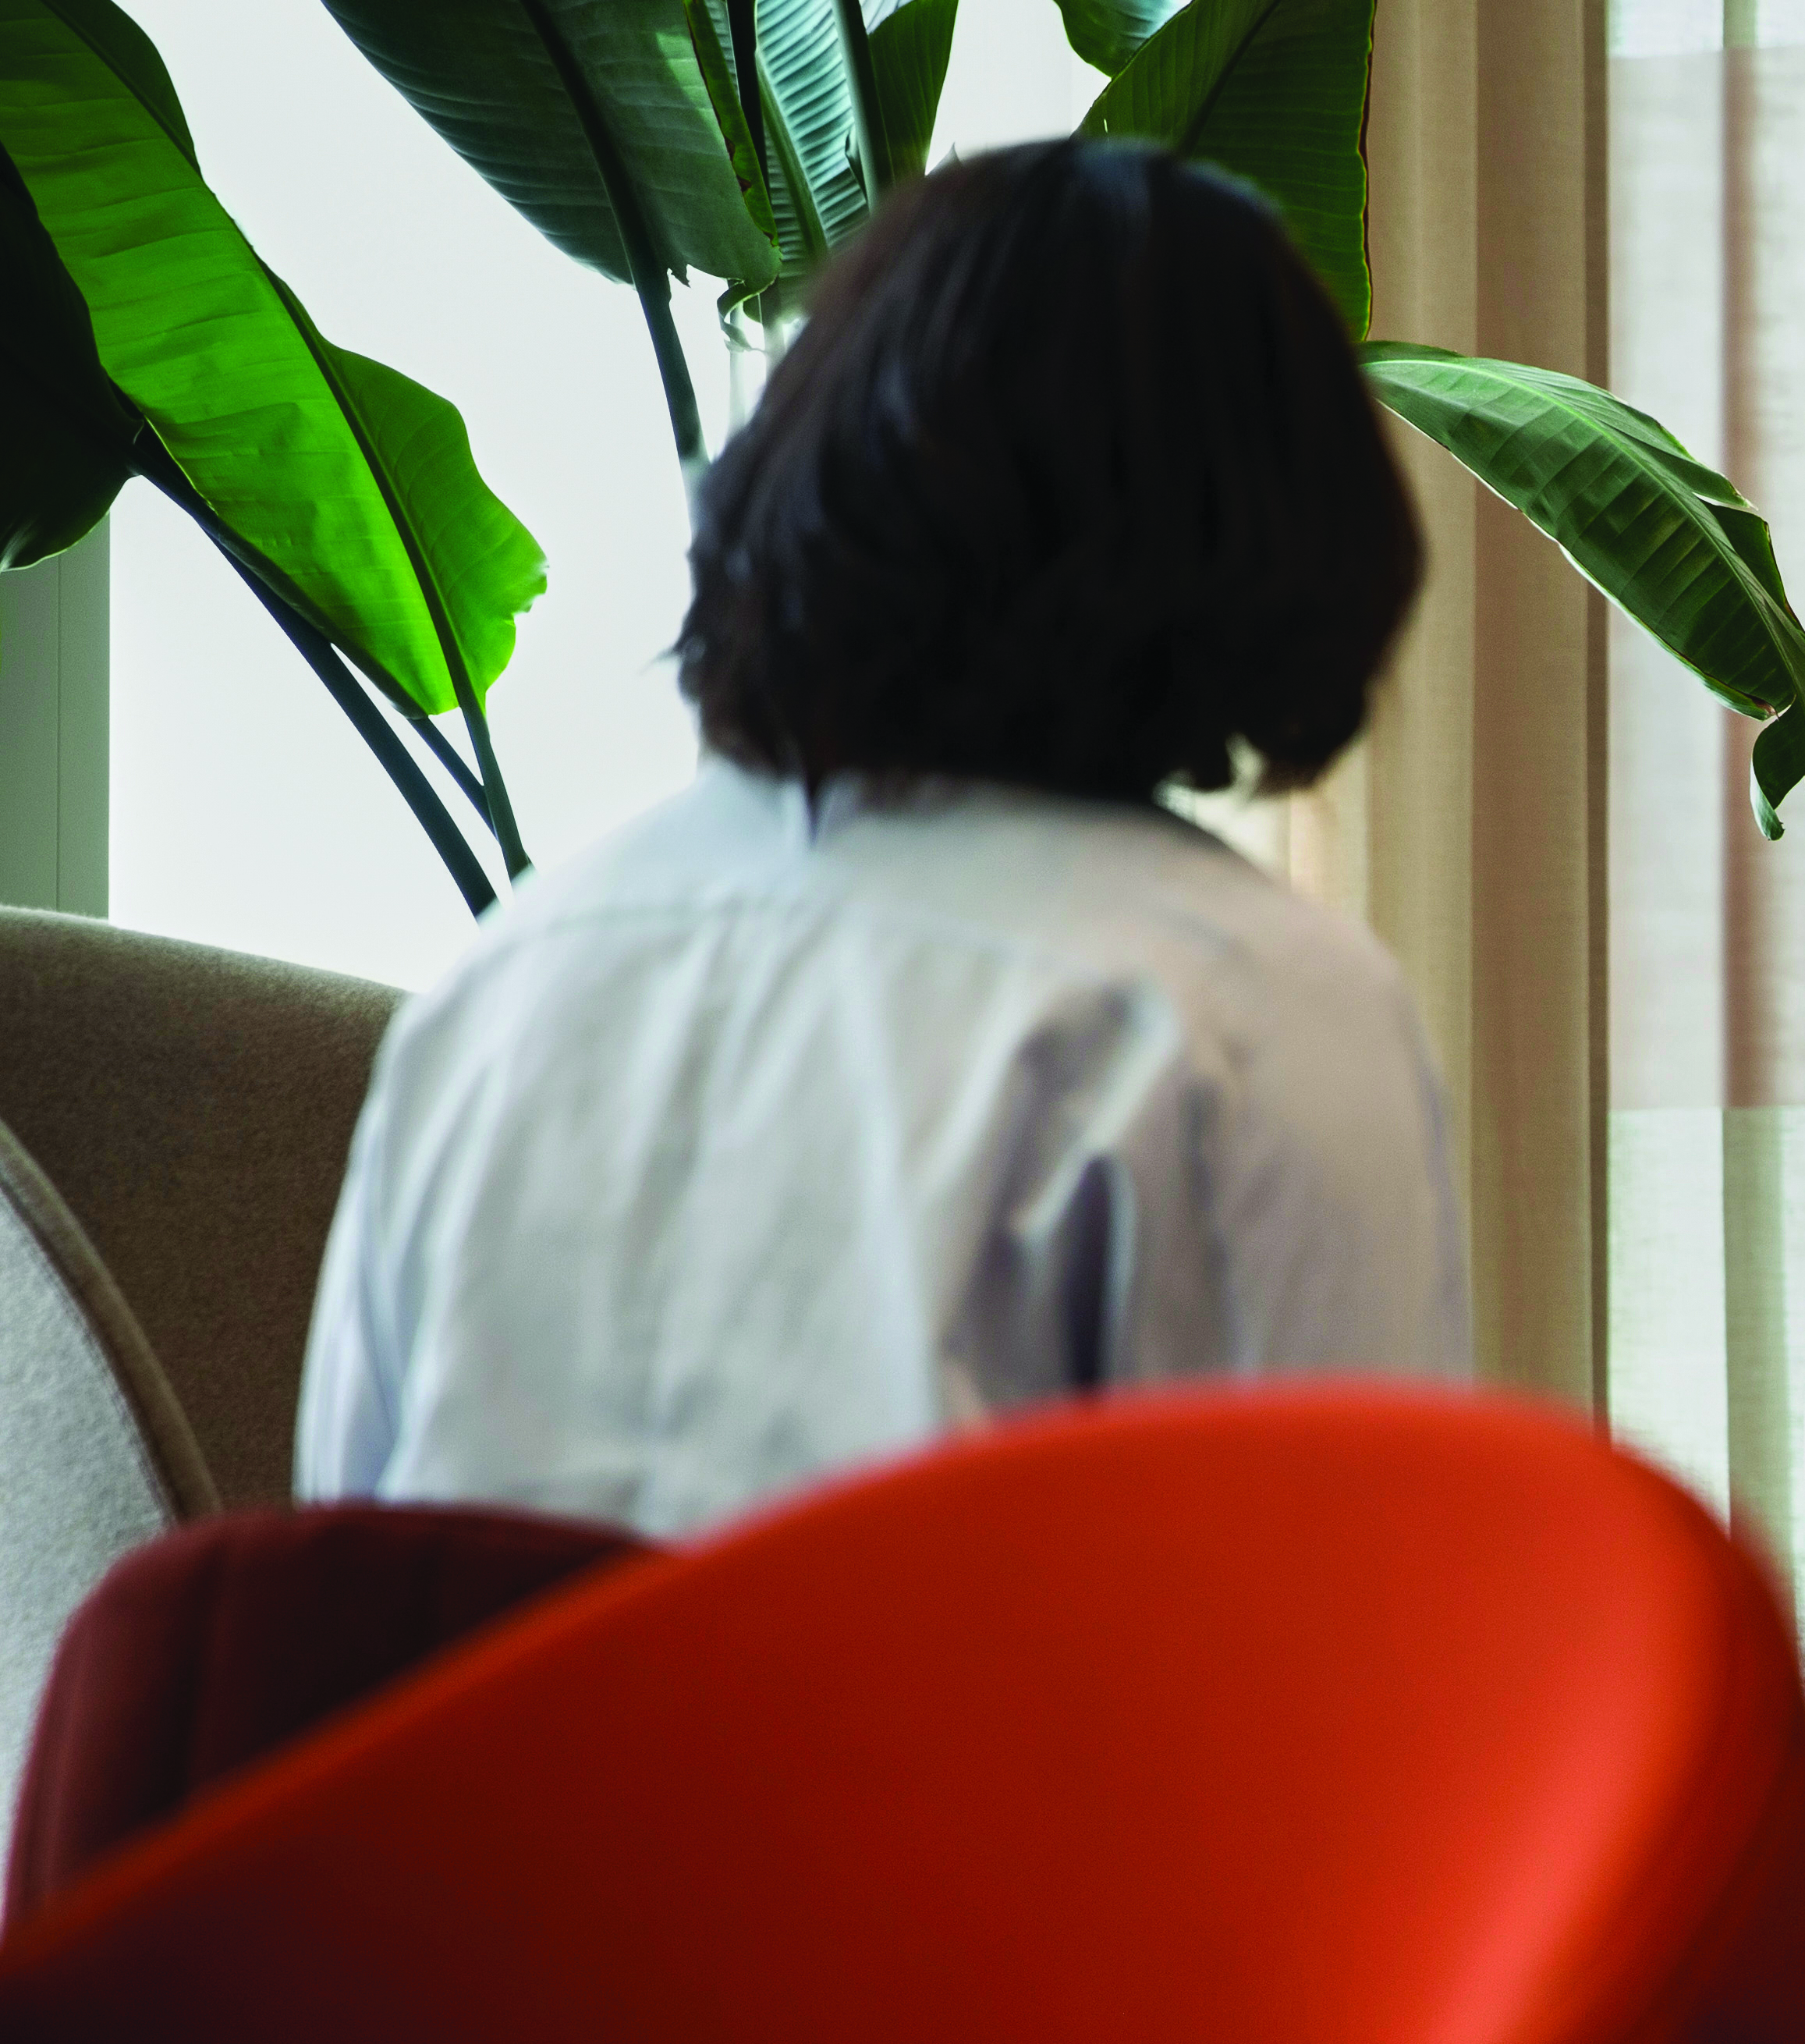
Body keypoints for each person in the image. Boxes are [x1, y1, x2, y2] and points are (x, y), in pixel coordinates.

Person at [296, 143, 1469, 1536]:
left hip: (483, 1763)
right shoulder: (1241, 1012)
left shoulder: (507, 983)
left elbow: (348, 1571)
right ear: (1279, 528)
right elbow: (1344, 1644)